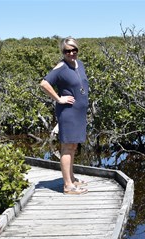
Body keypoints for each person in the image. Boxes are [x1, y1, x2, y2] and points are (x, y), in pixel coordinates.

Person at [40, 37, 89, 195]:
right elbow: (44, 83)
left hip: (78, 112)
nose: (71, 53)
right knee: (67, 147)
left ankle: (72, 178)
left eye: (74, 49)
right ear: (63, 52)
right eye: (67, 51)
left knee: (73, 146)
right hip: (68, 112)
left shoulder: (79, 64)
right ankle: (68, 186)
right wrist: (59, 98)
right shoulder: (61, 66)